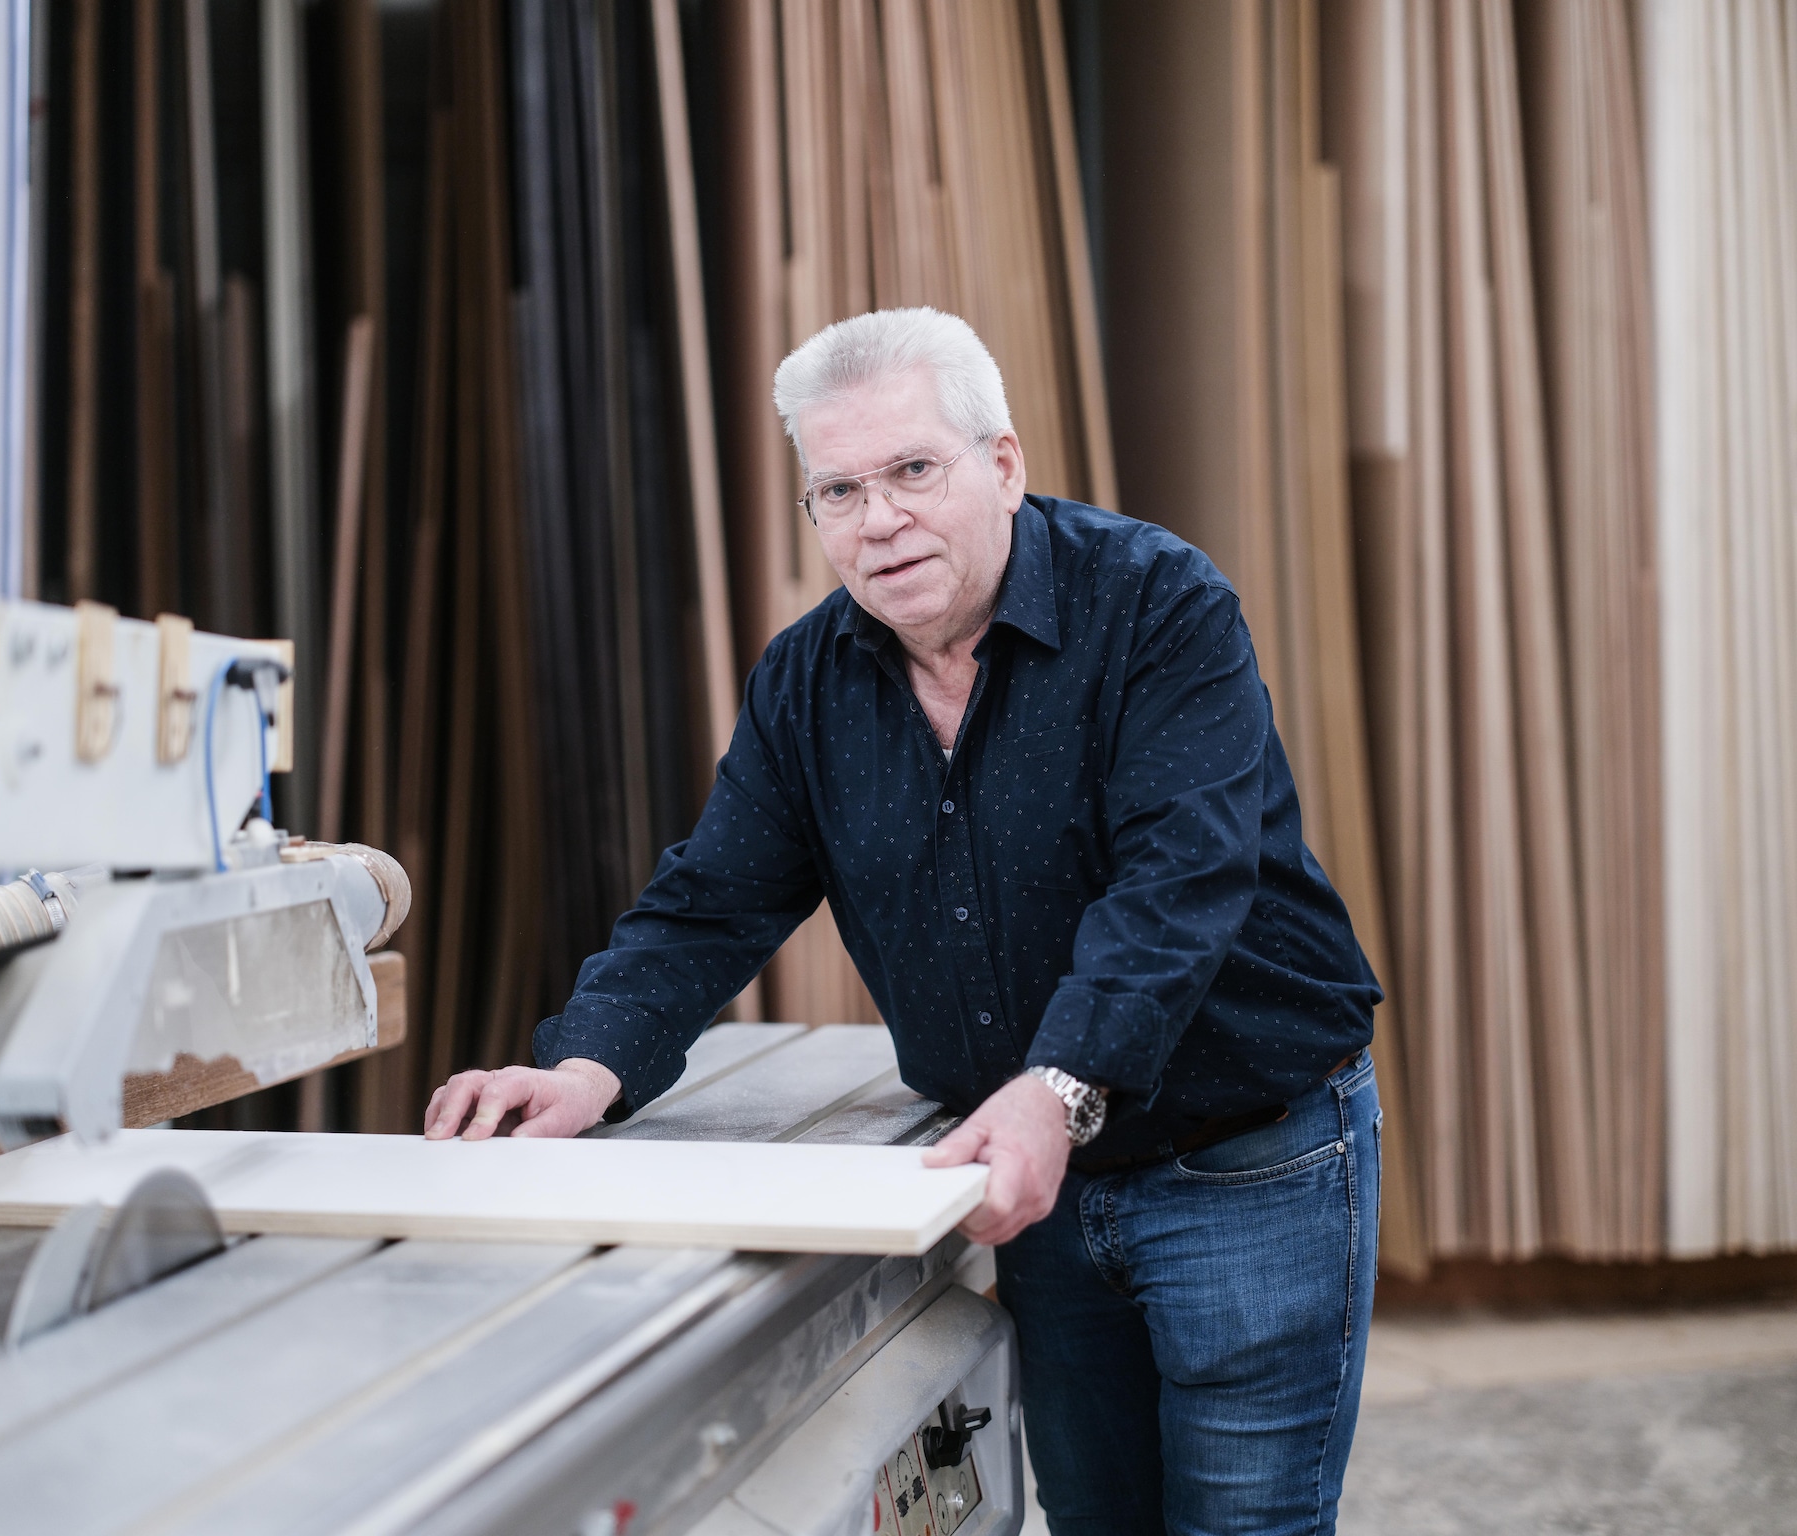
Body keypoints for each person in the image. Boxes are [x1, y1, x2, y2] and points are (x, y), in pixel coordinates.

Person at [425, 306, 1383, 1535]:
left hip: (1245, 1159)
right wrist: (583, 1067)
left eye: (912, 471)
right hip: (1035, 1179)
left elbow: (1178, 882)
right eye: (837, 490)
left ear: (1002, 464)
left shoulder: (1156, 606)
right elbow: (710, 899)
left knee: (1244, 1527)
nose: (878, 520)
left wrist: (1058, 1084)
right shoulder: (806, 680)